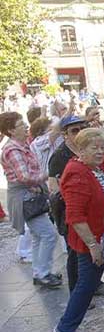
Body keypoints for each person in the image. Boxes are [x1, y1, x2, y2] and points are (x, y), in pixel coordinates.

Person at [52, 128, 104, 332]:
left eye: (102, 147)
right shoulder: (77, 173)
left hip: (102, 235)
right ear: (81, 150)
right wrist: (93, 244)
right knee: (86, 284)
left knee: (89, 282)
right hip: (89, 240)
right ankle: (64, 328)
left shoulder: (94, 167)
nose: (101, 152)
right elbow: (75, 216)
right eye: (95, 148)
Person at [0, 112, 61, 288]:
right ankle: (43, 273)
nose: (26, 127)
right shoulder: (13, 149)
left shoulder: (21, 145)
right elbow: (24, 176)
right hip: (25, 198)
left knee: (37, 236)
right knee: (49, 234)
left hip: (29, 196)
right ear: (11, 130)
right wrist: (45, 176)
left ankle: (40, 271)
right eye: (21, 125)